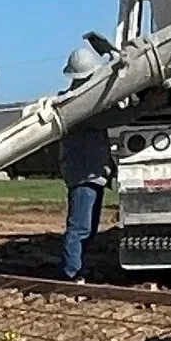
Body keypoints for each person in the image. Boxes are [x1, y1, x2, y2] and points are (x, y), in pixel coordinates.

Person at [57, 39, 116, 280]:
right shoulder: (77, 106)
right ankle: (72, 273)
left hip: (90, 174)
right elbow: (111, 119)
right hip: (84, 175)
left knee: (87, 228)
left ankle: (78, 267)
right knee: (79, 227)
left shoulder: (76, 100)